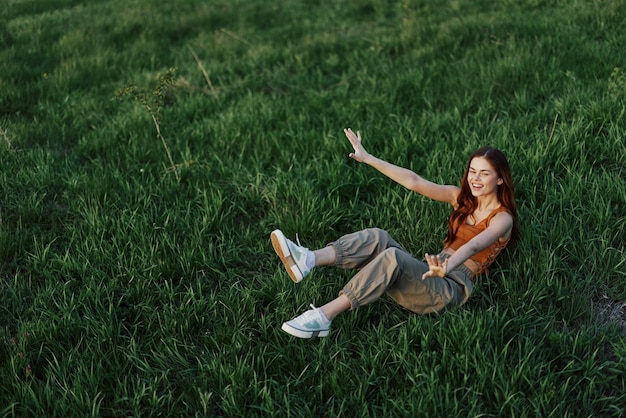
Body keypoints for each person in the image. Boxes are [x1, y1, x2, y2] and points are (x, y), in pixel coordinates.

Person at [271, 128, 519, 339]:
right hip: (430, 273)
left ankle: (324, 316)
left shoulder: (502, 218)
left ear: (499, 179)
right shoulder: (461, 198)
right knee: (379, 237)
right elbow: (414, 181)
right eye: (472, 171)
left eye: (484, 173)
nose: (475, 179)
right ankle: (308, 259)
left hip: (449, 289)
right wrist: (369, 159)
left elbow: (475, 245)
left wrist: (447, 266)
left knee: (393, 257)